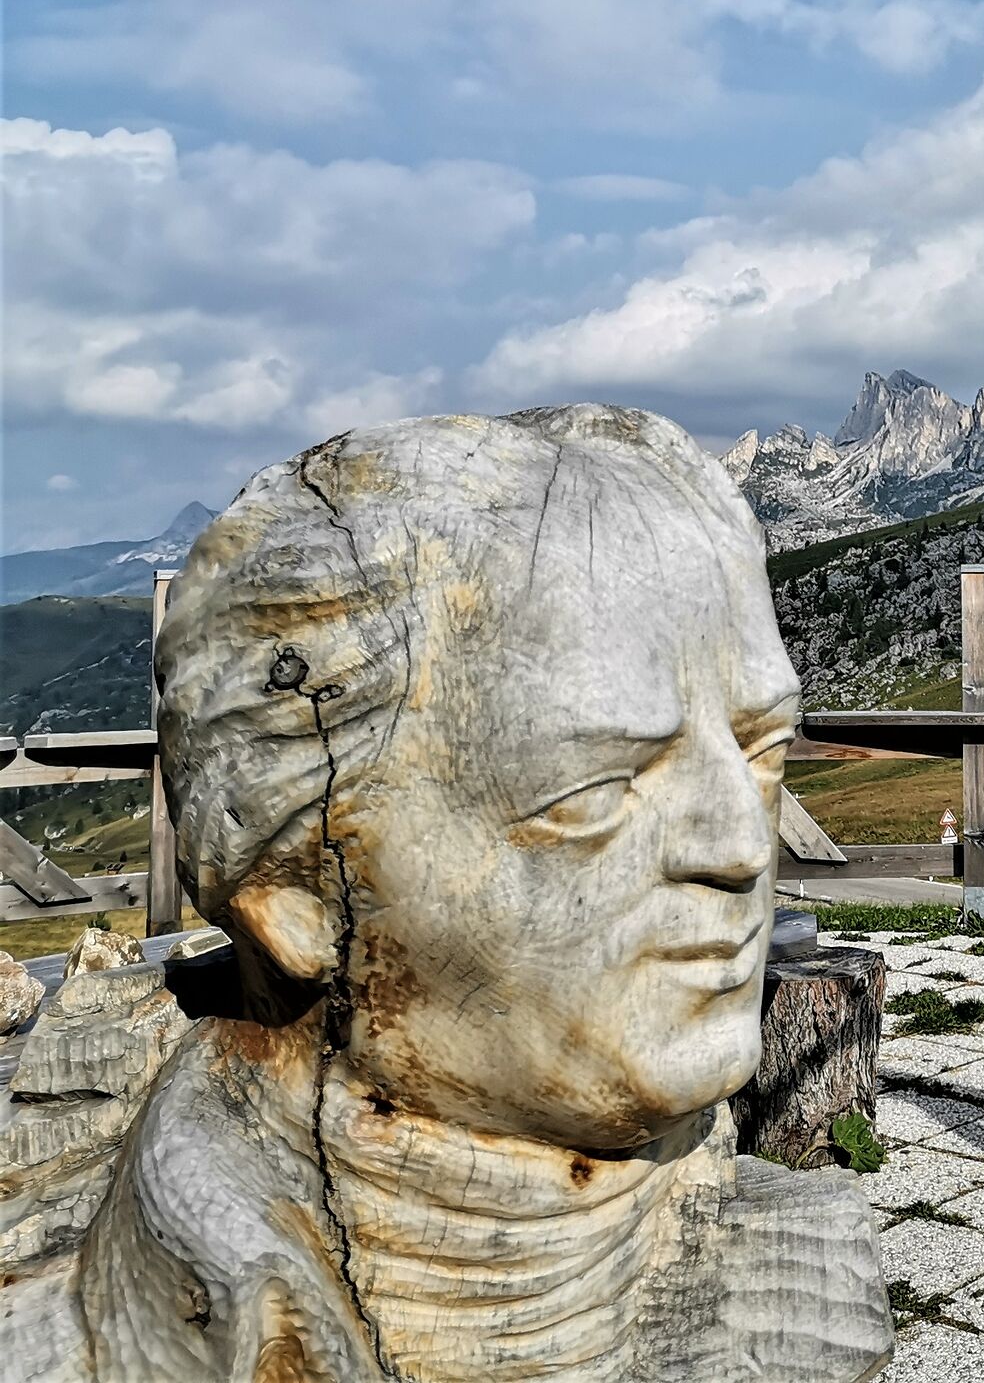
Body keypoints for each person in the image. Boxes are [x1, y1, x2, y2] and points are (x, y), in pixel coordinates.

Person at [0, 407, 890, 1383]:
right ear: (298, 888)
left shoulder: (797, 1267)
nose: (738, 846)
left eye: (761, 749)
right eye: (594, 791)